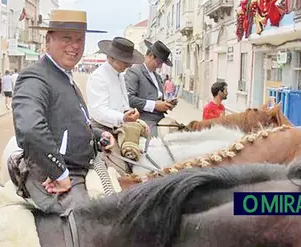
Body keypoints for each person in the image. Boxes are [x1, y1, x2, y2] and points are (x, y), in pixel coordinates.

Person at [11, 9, 113, 214]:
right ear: (48, 41)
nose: (75, 46)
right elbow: (30, 129)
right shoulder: (35, 77)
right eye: (67, 38)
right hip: (50, 175)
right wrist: (59, 173)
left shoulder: (64, 76)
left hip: (82, 167)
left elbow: (68, 123)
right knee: (91, 226)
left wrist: (98, 134)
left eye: (80, 40)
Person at [86, 37, 144, 132]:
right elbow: (98, 110)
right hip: (102, 129)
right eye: (125, 62)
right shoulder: (98, 77)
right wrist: (123, 117)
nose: (128, 66)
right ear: (111, 57)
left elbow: (122, 102)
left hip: (119, 125)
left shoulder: (119, 74)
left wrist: (128, 112)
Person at [125, 40, 177, 137]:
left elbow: (156, 98)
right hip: (144, 119)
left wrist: (166, 103)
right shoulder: (135, 72)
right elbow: (129, 98)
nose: (160, 66)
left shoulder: (156, 76)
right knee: (154, 144)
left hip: (160, 117)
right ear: (151, 56)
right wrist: (154, 105)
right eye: (159, 62)